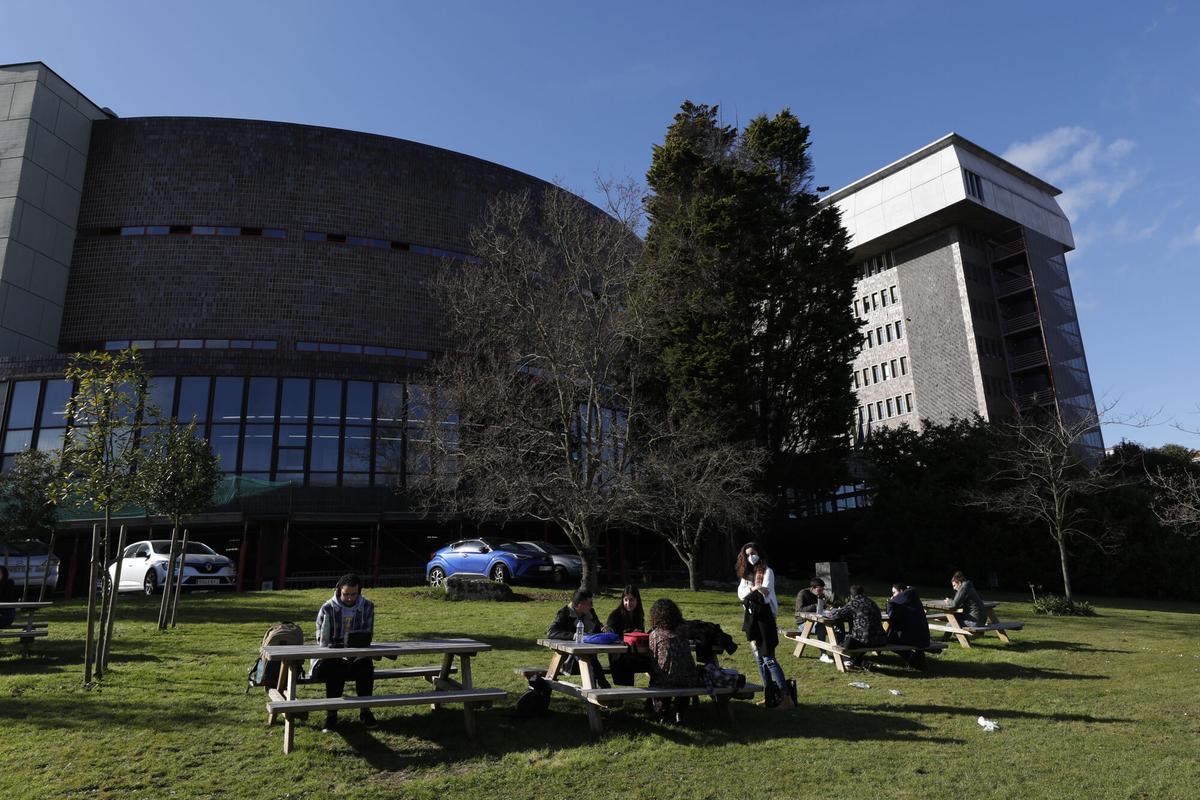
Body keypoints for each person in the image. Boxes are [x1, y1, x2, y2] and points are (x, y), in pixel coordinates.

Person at [312, 573, 376, 732]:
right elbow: (321, 637)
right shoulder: (327, 607)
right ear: (339, 590)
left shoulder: (367, 606)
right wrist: (338, 651)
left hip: (357, 653)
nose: (349, 598)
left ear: (359, 592)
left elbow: (367, 634)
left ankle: (365, 711)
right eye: (346, 594)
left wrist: (355, 651)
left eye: (353, 594)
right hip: (331, 655)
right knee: (335, 668)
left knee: (366, 667)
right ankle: (332, 714)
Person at [736, 541, 795, 709]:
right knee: (759, 660)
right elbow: (741, 594)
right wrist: (754, 589)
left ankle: (785, 697)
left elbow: (765, 593)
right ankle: (770, 696)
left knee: (769, 658)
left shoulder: (767, 571)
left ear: (759, 553)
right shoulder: (745, 575)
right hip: (751, 619)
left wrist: (754, 591)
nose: (750, 557)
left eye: (753, 553)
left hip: (765, 619)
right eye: (747, 554)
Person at [647, 598, 702, 723]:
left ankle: (662, 712)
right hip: (689, 678)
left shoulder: (655, 634)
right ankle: (680, 713)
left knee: (659, 677)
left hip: (665, 679)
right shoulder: (684, 630)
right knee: (682, 673)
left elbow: (653, 658)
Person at [547, 589, 611, 688]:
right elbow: (551, 632)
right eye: (589, 603)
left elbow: (597, 629)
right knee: (589, 661)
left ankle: (601, 688)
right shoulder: (565, 613)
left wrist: (604, 630)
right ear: (579, 605)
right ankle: (601, 687)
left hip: (589, 653)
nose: (591, 606)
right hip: (569, 659)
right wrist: (574, 636)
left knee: (591, 660)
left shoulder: (590, 612)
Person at [825, 585, 887, 669]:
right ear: (863, 592)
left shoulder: (854, 603)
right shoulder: (872, 602)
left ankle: (848, 660)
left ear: (851, 595)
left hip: (865, 640)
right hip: (880, 639)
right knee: (854, 641)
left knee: (842, 644)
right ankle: (858, 661)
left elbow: (836, 615)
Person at [603, 585, 649, 686]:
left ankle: (655, 696)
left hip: (635, 653)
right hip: (619, 655)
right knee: (626, 664)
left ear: (637, 601)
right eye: (626, 600)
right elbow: (611, 638)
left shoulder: (639, 616)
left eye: (631, 600)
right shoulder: (615, 616)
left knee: (653, 662)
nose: (628, 603)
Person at [795, 577, 842, 664]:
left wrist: (830, 609)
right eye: (819, 590)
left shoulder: (821, 595)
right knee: (821, 626)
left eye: (822, 590)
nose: (821, 592)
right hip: (804, 622)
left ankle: (840, 650)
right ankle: (823, 654)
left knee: (838, 623)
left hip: (817, 619)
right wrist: (815, 605)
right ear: (812, 588)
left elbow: (822, 609)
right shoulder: (803, 593)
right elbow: (799, 610)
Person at [886, 583, 931, 668]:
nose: (893, 595)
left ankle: (910, 658)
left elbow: (893, 617)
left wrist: (890, 603)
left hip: (912, 638)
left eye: (894, 592)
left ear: (902, 591)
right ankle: (918, 656)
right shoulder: (915, 600)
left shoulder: (902, 603)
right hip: (924, 638)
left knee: (888, 640)